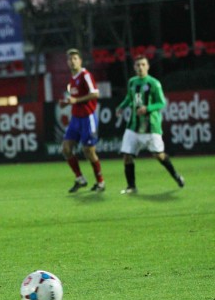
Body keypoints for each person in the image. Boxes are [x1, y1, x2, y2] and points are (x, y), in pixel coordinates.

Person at [115, 55, 184, 194]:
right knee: (127, 156)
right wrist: (121, 107)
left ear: (147, 66)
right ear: (134, 67)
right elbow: (129, 97)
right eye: (138, 65)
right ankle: (131, 187)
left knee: (159, 155)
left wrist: (148, 108)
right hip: (133, 126)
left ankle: (176, 175)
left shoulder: (154, 83)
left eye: (143, 64)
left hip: (151, 126)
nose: (140, 67)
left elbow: (161, 102)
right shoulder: (132, 82)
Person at [59, 48, 105, 193]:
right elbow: (75, 99)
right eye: (70, 59)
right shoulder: (72, 79)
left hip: (88, 117)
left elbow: (95, 93)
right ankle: (80, 178)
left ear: (80, 61)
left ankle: (101, 182)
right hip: (75, 119)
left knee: (88, 151)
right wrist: (67, 102)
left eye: (75, 59)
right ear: (67, 62)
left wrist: (76, 100)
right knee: (66, 149)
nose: (72, 62)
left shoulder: (85, 75)